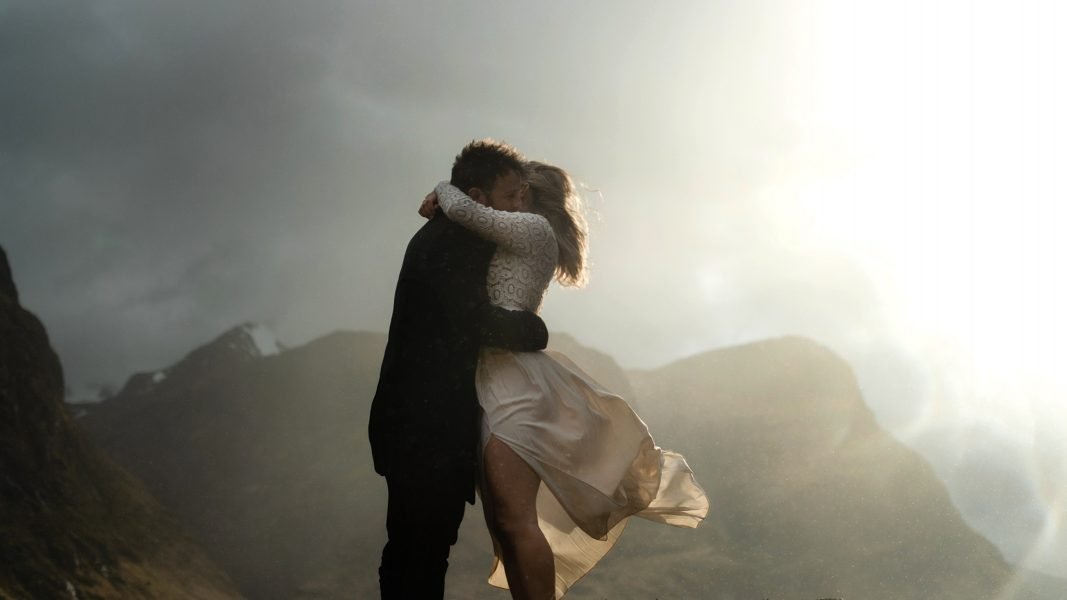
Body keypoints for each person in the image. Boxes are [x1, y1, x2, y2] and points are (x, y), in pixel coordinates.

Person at [419, 162, 710, 599]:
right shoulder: (511, 232)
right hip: (492, 385)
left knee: (516, 521)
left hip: (515, 387)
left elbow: (467, 211)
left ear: (529, 196)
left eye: (517, 191)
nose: (510, 199)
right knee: (504, 526)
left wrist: (444, 189)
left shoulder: (531, 229)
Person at [369, 139, 551, 599]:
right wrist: (534, 331)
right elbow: (470, 319)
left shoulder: (438, 233)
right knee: (422, 555)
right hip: (428, 426)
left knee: (411, 551)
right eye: (510, 196)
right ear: (478, 196)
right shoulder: (457, 239)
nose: (517, 206)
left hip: (412, 421)